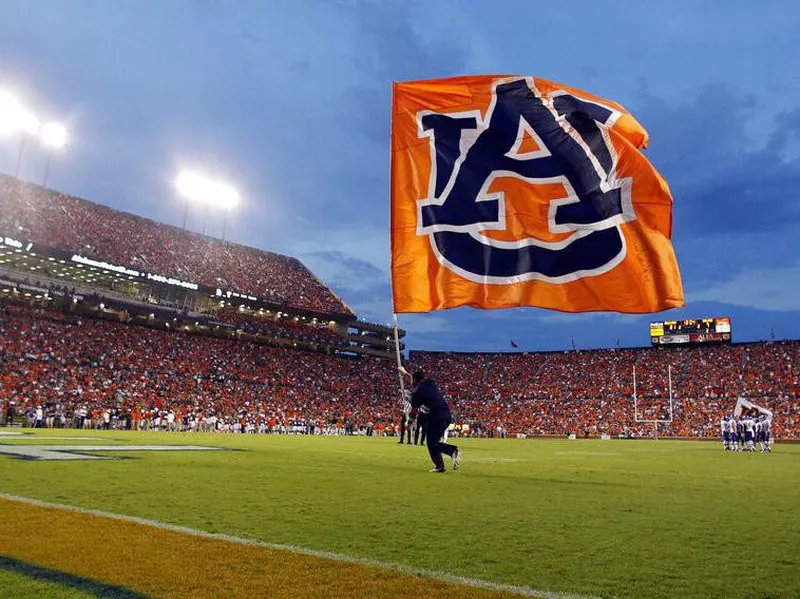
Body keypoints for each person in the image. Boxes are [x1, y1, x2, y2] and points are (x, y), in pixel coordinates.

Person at [405, 368, 461, 473]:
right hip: (446, 414)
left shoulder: (417, 393)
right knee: (432, 442)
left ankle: (451, 452)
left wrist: (409, 422)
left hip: (436, 416)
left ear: (415, 380)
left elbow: (414, 411)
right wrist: (404, 372)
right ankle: (440, 465)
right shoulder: (430, 382)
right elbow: (413, 380)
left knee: (431, 443)